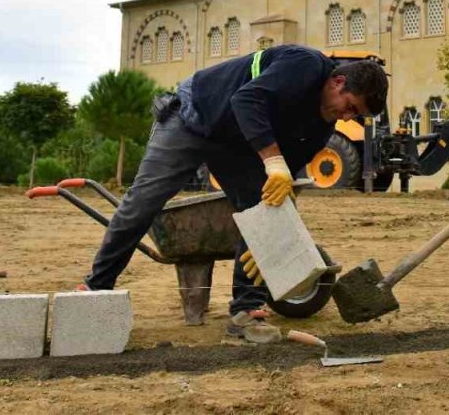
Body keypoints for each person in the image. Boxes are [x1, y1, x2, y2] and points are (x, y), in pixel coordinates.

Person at [81, 44, 388, 343]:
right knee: (142, 203)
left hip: (236, 144)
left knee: (257, 208)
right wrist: (273, 162)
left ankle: (246, 311)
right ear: (338, 81)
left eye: (355, 115)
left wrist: (272, 224)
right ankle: (96, 289)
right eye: (350, 106)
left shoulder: (322, 127)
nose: (347, 117)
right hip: (196, 116)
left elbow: (283, 179)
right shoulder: (304, 65)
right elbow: (247, 100)